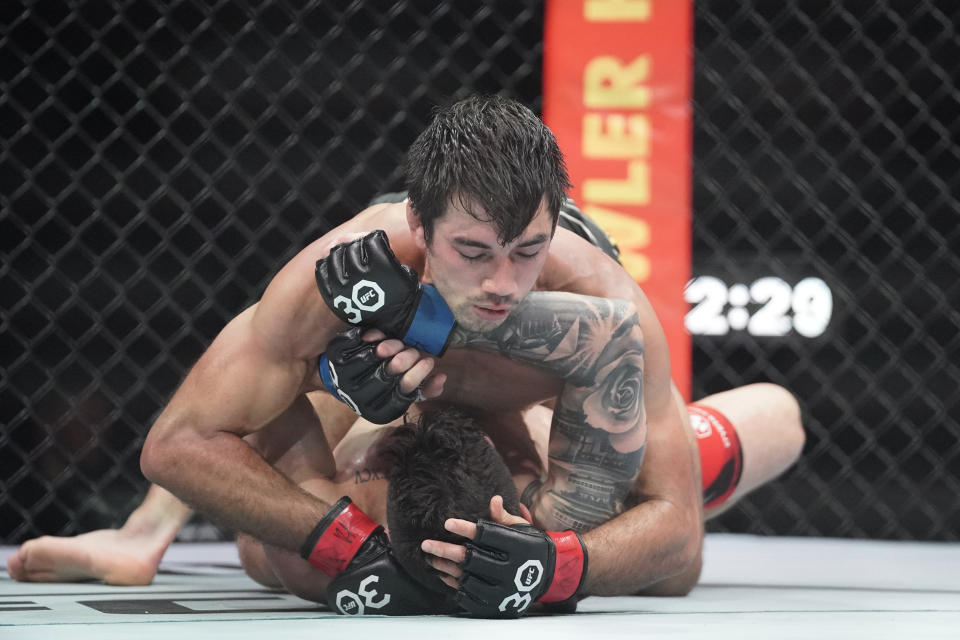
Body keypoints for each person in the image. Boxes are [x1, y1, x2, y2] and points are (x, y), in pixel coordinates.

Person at [8, 94, 804, 613]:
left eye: (527, 250)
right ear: (420, 227)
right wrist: (339, 538)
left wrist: (559, 561)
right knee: (301, 379)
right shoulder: (346, 271)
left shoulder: (600, 310)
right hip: (399, 418)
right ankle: (146, 530)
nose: (502, 281)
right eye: (474, 250)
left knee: (773, 421)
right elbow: (178, 441)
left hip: (536, 421)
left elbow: (681, 544)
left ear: (555, 225)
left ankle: (391, 400)